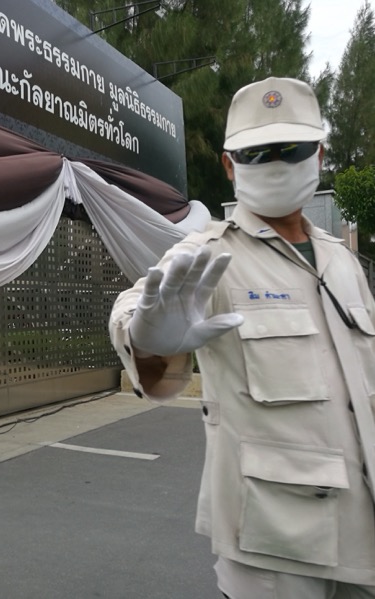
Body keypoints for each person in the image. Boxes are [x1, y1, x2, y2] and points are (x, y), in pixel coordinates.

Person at [109, 76, 375, 598]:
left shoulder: (345, 262)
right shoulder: (210, 254)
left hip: (364, 531)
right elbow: (137, 304)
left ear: (319, 155)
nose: (275, 163)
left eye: (290, 148)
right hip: (273, 547)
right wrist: (147, 338)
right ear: (230, 166)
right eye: (256, 153)